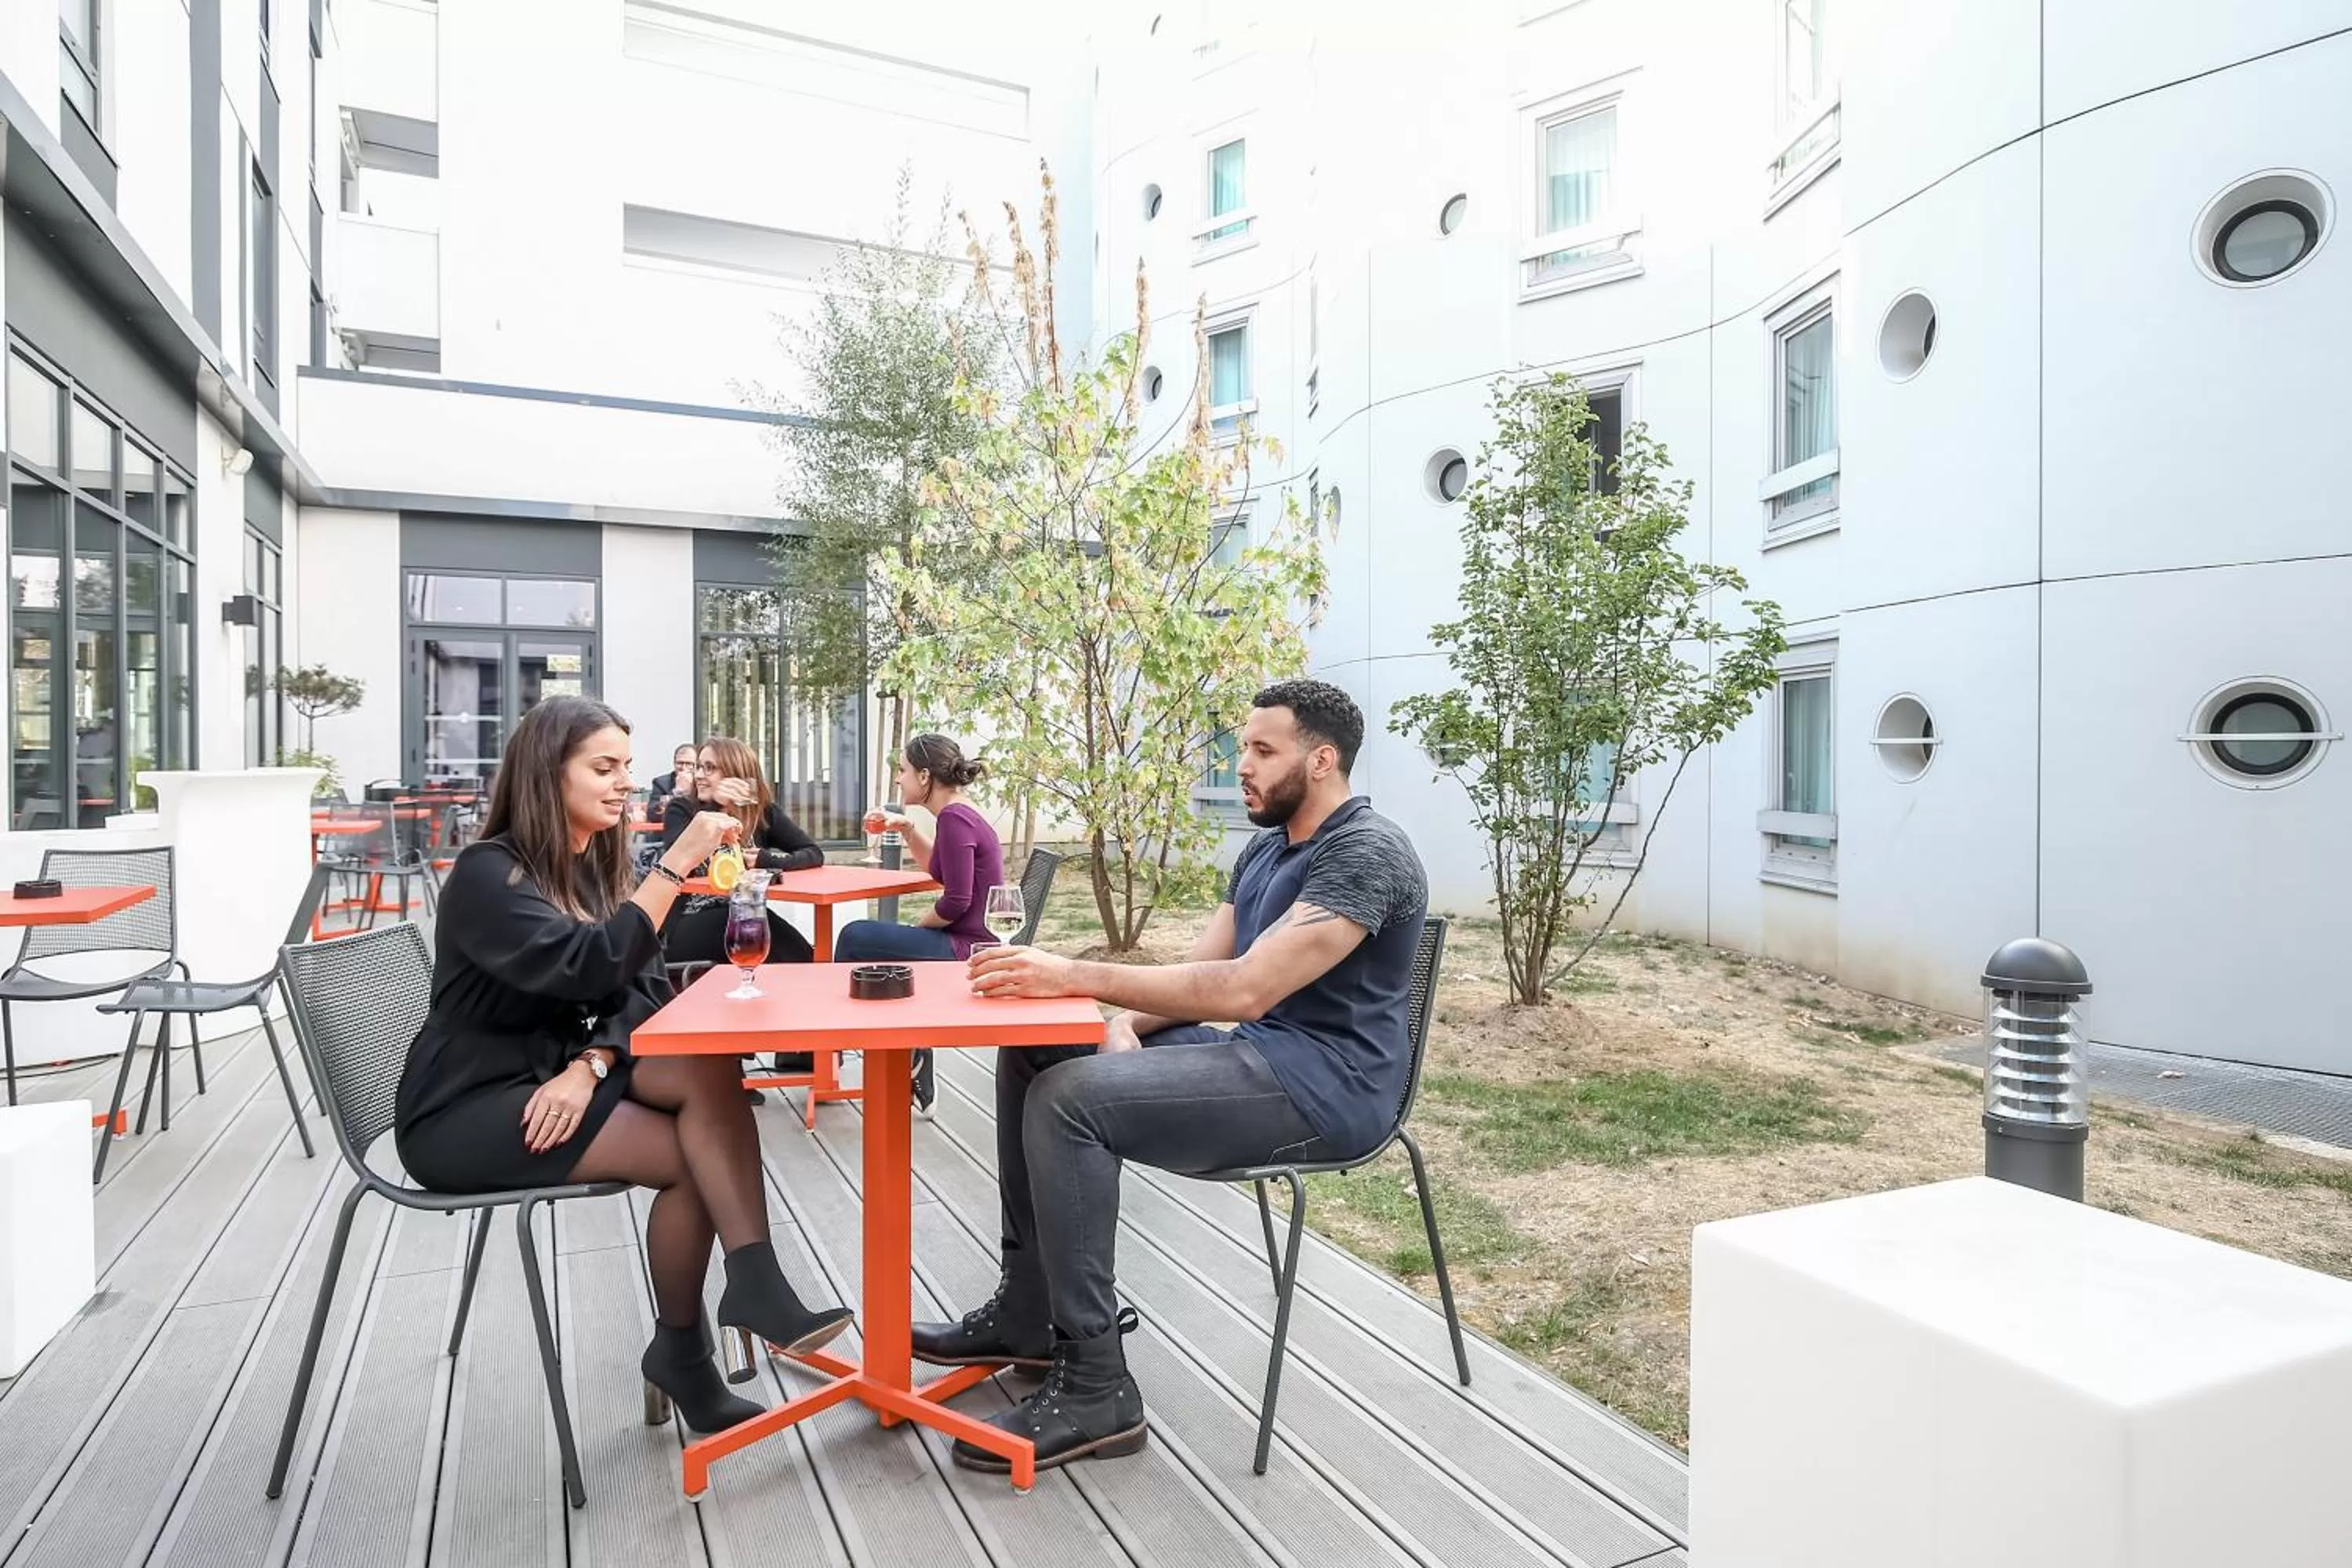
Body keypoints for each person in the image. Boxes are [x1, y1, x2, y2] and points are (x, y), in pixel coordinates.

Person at [916, 679, 1426, 1477]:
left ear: (1321, 759)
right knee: (1038, 1050)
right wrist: (1119, 1020)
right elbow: (1206, 967)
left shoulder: (1365, 853)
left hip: (1329, 1090)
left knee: (1069, 1100)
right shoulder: (1267, 845)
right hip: (1261, 1055)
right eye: (1244, 747)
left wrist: (1073, 973)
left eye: (1263, 750)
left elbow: (1247, 988)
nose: (1243, 765)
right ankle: (1026, 1308)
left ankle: (1096, 1385)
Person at [394, 696, 854, 1437]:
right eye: (603, 768)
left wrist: (594, 1063)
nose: (624, 785)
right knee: (695, 1156)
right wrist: (676, 865)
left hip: (556, 1078)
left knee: (703, 1066)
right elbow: (591, 964)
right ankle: (689, 1345)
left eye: (627, 769)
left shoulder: (588, 865)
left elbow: (643, 985)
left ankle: (746, 1286)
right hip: (464, 1109)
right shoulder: (491, 875)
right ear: (548, 777)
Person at [834, 733, 1005, 1112]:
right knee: (871, 941)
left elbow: (957, 901)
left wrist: (918, 929)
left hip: (968, 949)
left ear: (925, 777)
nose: (899, 779)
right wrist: (907, 829)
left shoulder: (956, 818)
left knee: (855, 936)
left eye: (903, 770)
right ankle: (910, 1050)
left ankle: (835, 1045)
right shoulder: (956, 814)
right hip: (964, 938)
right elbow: (940, 870)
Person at [659, 735, 824, 971]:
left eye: (710, 768)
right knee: (767, 935)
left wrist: (764, 860)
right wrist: (717, 807)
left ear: (734, 774)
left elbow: (812, 853)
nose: (699, 775)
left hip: (744, 913)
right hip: (689, 918)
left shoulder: (761, 813)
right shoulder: (682, 809)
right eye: (699, 767)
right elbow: (683, 861)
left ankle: (816, 981)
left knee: (786, 944)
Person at [646, 743, 697, 816]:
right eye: (680, 763)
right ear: (674, 763)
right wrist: (677, 793)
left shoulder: (702, 782)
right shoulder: (661, 783)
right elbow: (653, 814)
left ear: (697, 765)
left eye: (689, 764)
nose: (684, 767)